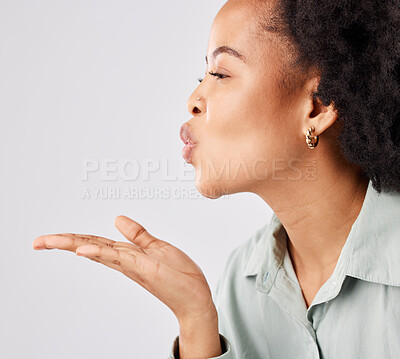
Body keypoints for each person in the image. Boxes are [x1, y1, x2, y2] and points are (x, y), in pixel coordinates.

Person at [33, 0, 400, 358]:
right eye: (202, 76)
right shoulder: (241, 281)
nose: (194, 99)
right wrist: (196, 324)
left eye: (220, 74)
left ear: (318, 105)